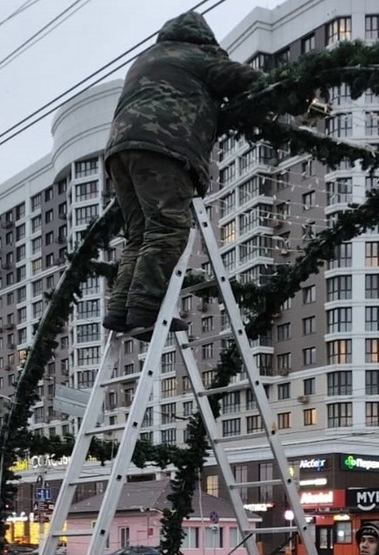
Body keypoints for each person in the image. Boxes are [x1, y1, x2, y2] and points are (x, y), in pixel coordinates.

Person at [102, 10, 261, 337]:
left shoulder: (147, 58)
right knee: (167, 226)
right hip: (164, 146)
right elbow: (245, 80)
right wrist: (300, 99)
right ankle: (145, 311)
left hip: (119, 151)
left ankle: (120, 309)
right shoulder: (201, 57)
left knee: (140, 232)